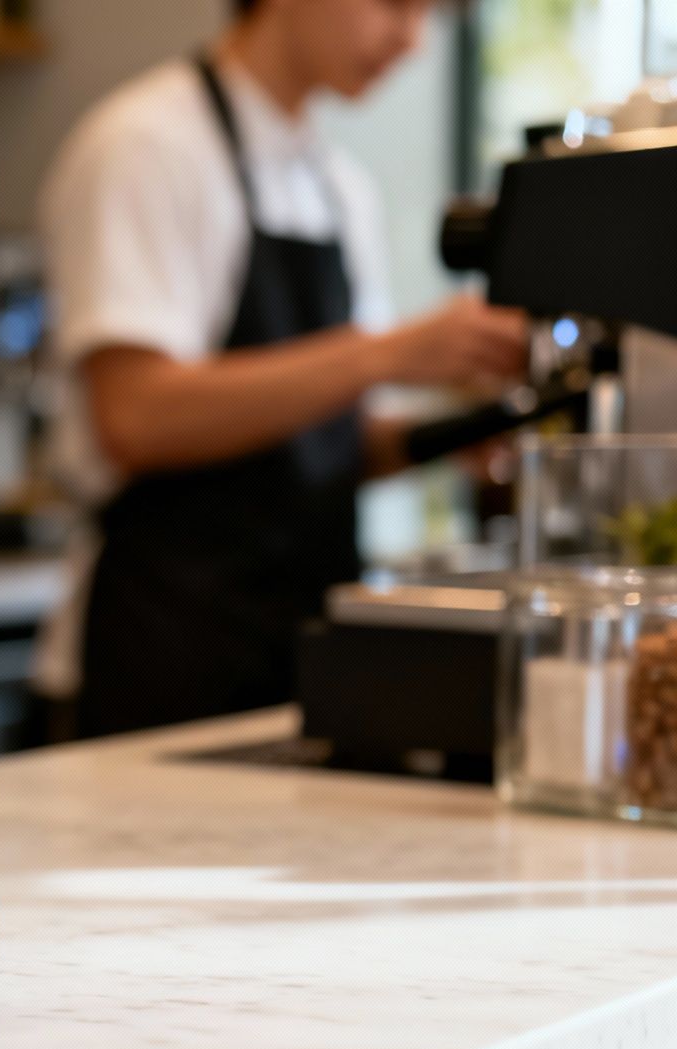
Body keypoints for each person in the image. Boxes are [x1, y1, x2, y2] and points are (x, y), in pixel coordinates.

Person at [34, 0, 527, 737]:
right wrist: (386, 352)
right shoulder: (146, 143)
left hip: (296, 664)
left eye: (429, 16)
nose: (410, 41)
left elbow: (331, 447)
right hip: (161, 658)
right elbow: (134, 417)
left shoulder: (339, 188)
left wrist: (472, 427)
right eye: (394, 4)